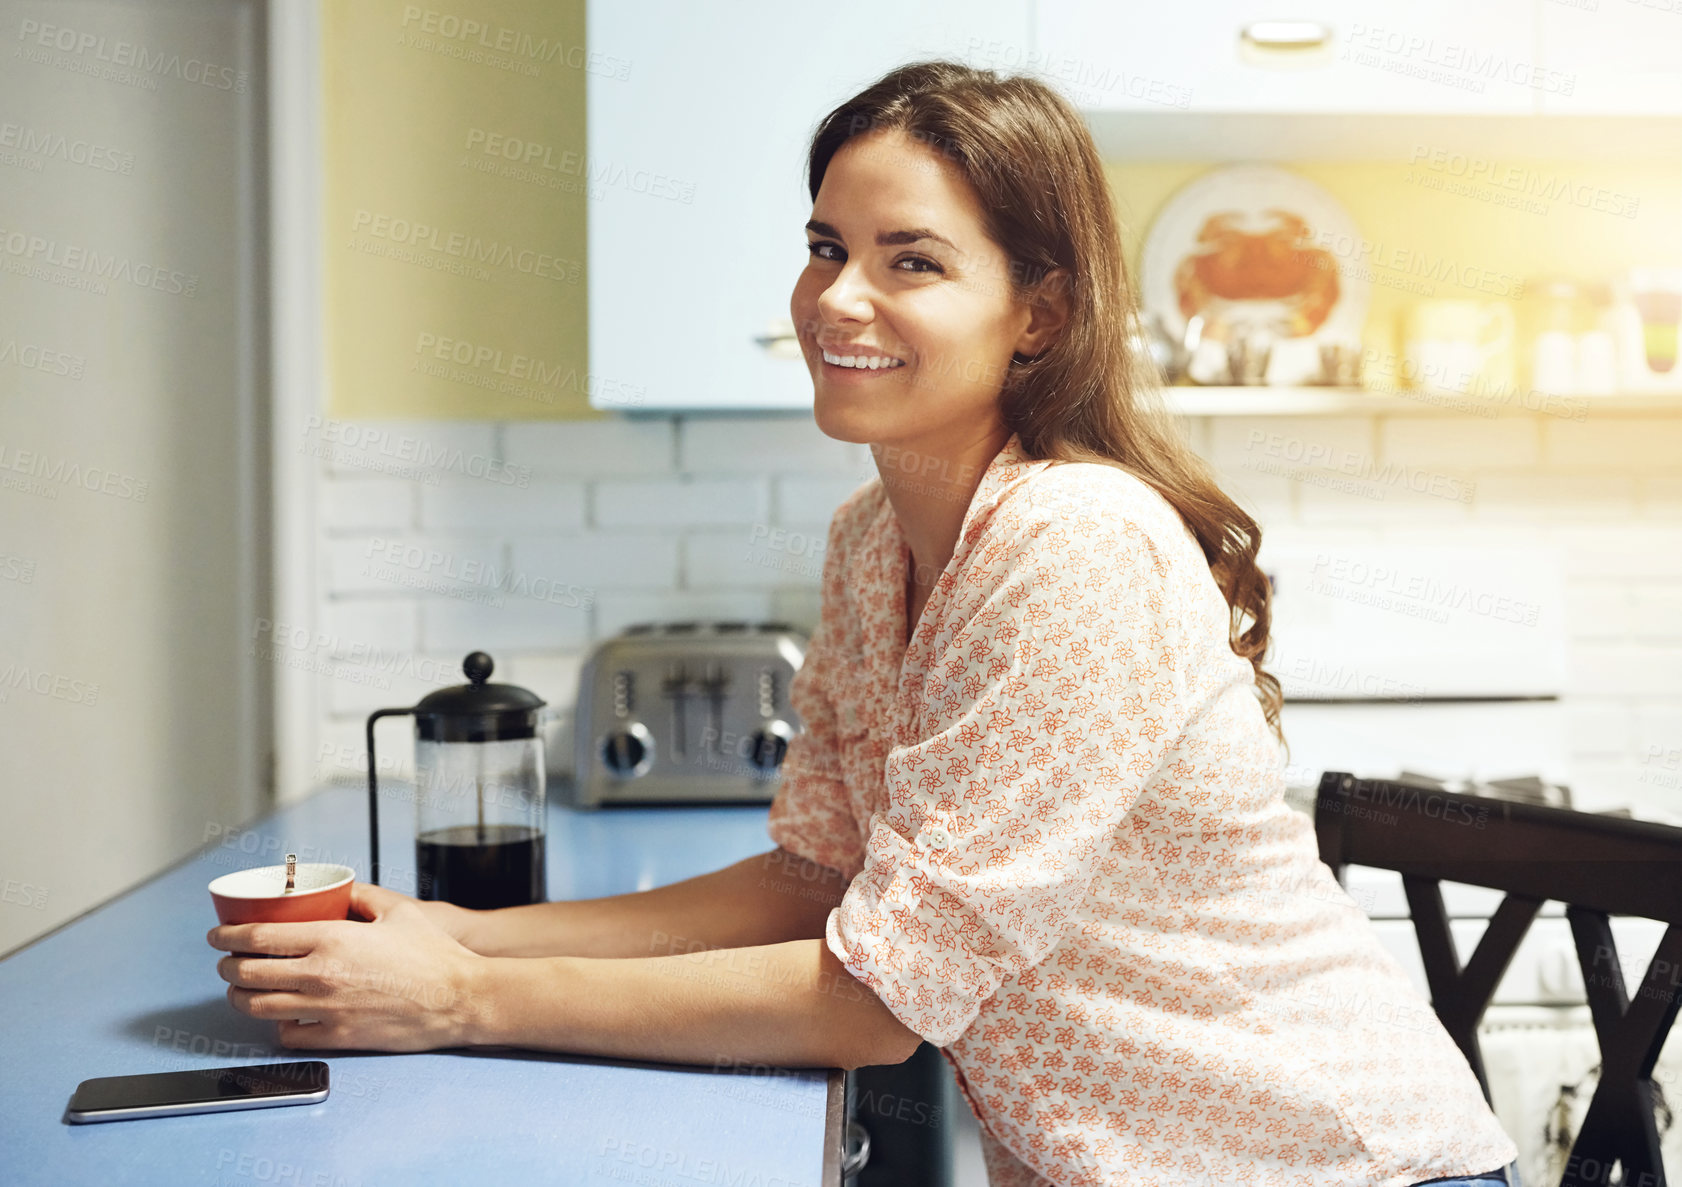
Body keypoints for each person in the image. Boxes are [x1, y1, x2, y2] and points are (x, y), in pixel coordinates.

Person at [209, 60, 1523, 1187]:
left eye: (913, 262)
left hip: (1334, 1166)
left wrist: (460, 999)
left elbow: (872, 1006)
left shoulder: (1075, 545)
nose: (837, 299)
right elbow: (815, 882)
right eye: (827, 246)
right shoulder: (867, 542)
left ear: (1039, 313)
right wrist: (460, 932)